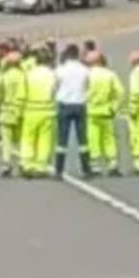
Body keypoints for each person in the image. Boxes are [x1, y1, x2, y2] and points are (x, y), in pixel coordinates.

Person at [54, 43, 92, 178]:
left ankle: (59, 169)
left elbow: (55, 86)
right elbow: (88, 86)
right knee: (83, 140)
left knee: (62, 140)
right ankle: (86, 169)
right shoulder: (84, 69)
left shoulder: (61, 69)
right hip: (80, 104)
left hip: (64, 104)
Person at [20, 47, 58, 178]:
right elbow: (55, 91)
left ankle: (26, 164)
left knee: (28, 138)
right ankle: (41, 166)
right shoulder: (52, 74)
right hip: (47, 111)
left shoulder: (29, 74)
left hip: (30, 110)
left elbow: (22, 92)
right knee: (44, 140)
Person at [86, 52, 125, 176]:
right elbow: (120, 92)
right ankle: (112, 165)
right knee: (109, 139)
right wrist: (114, 107)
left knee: (93, 139)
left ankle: (95, 166)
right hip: (106, 111)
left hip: (91, 112)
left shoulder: (87, 75)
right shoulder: (110, 74)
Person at [0, 50, 27, 178]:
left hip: (6, 111)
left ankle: (6, 164)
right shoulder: (23, 76)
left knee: (6, 140)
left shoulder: (3, 76)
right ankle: (22, 163)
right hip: (21, 111)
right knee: (21, 140)